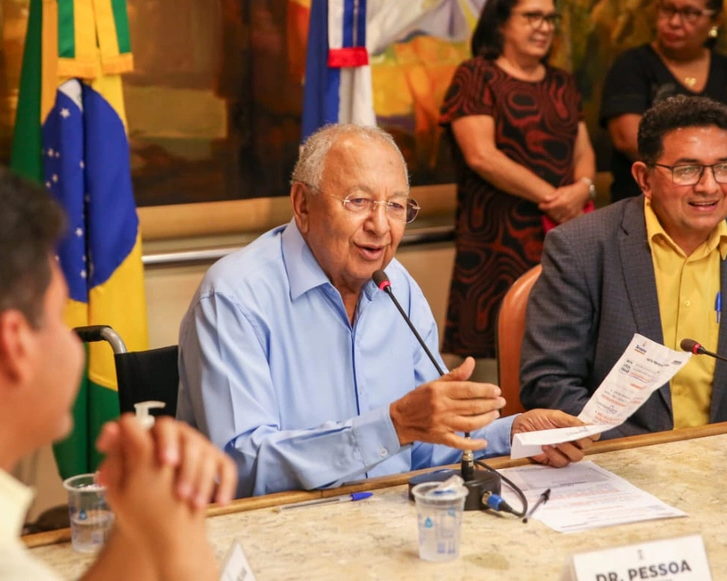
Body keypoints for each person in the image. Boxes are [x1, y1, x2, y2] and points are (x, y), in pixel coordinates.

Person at [177, 124, 596, 498]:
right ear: (302, 205)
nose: (381, 226)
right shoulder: (234, 297)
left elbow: (428, 446)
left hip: (393, 525)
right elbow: (239, 469)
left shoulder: (399, 288)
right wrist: (393, 426)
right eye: (359, 201)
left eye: (396, 206)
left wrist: (513, 432)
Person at [0, 163, 237, 581]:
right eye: (59, 315)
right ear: (14, 342)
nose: (71, 340)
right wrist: (180, 542)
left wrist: (139, 526)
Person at [519, 96, 727, 439]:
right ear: (644, 179)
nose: (709, 186)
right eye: (687, 170)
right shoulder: (581, 249)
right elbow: (549, 382)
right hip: (621, 463)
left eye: (724, 168)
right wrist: (642, 457)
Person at [438, 0, 596, 362]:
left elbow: (583, 150)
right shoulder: (476, 75)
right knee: (497, 358)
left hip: (561, 236)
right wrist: (553, 198)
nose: (544, 27)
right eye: (532, 16)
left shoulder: (561, 81)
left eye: (550, 18)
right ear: (502, 21)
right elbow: (481, 155)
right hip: (496, 240)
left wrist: (584, 188)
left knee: (564, 346)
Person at [600, 0, 727, 213]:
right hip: (651, 211)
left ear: (715, 20)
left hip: (725, 212)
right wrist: (691, 177)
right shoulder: (633, 65)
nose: (675, 22)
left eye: (690, 13)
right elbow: (627, 137)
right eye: (668, 10)